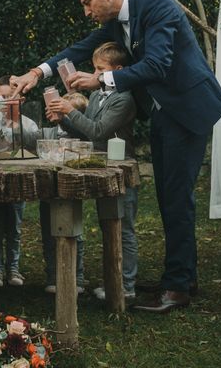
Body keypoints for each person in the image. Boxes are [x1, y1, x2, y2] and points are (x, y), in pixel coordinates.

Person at [11, 0, 221, 313]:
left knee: (176, 197)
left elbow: (158, 65)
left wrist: (100, 81)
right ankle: (181, 277)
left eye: (88, 2)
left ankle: (177, 288)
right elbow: (79, 48)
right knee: (168, 196)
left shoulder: (159, 9)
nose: (86, 12)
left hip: (187, 110)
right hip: (163, 112)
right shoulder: (115, 23)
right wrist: (37, 73)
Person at [46, 42, 138, 302]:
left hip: (120, 170)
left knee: (123, 227)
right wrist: (62, 118)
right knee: (108, 222)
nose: (93, 74)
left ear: (118, 70)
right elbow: (86, 132)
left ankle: (126, 285)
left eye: (100, 69)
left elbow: (99, 130)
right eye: (94, 68)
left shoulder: (124, 99)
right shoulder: (97, 95)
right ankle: (112, 279)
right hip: (100, 169)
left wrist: (71, 111)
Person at [0, 76, 39, 287]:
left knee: (14, 226)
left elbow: (33, 141)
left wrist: (15, 121)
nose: (5, 102)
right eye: (1, 97)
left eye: (9, 98)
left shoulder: (28, 122)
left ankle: (13, 268)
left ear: (20, 99)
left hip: (17, 180)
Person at [39, 91, 89, 295]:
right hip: (48, 189)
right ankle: (53, 275)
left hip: (71, 190)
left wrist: (66, 118)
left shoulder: (81, 136)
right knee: (48, 233)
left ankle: (77, 276)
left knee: (74, 232)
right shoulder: (49, 133)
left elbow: (80, 133)